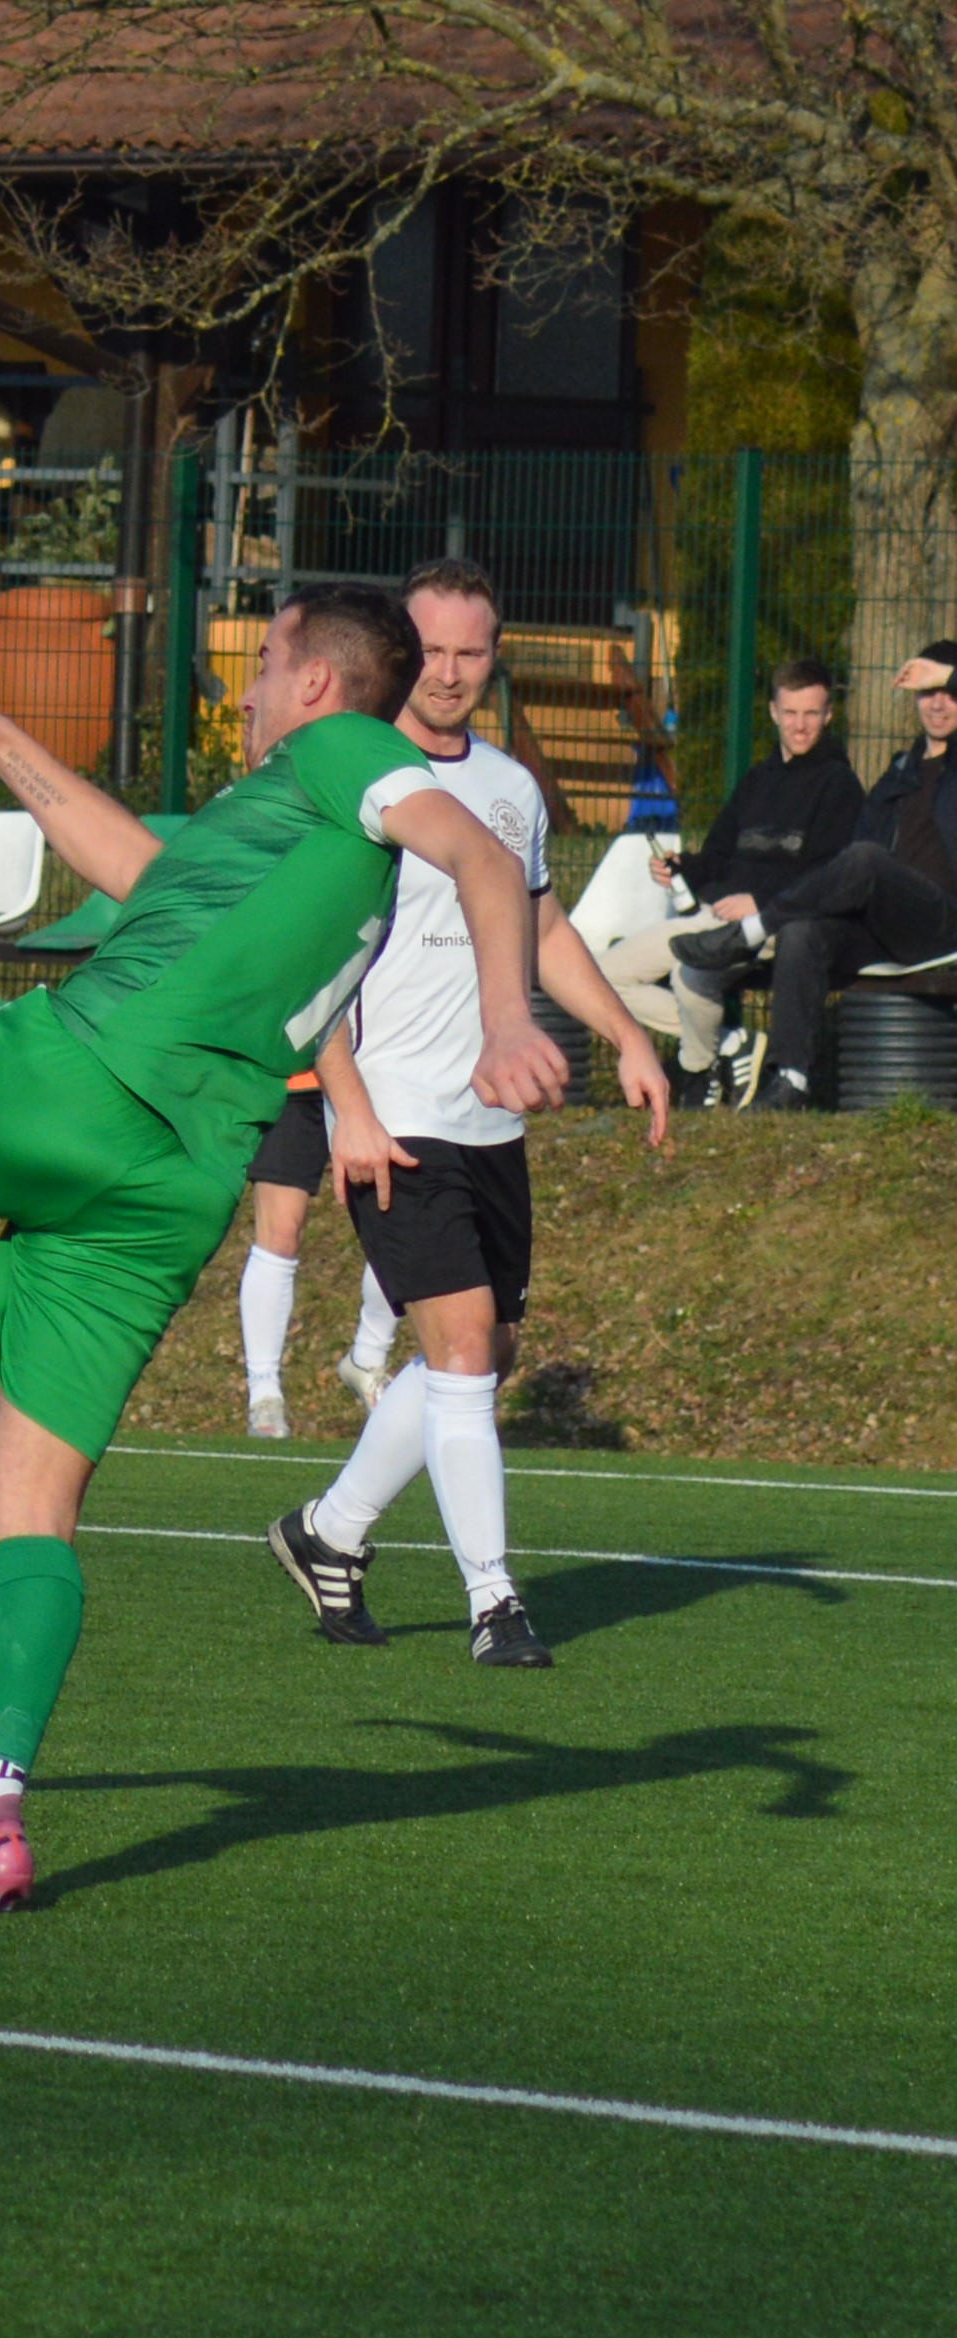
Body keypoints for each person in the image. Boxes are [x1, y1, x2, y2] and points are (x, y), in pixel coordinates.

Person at [0, 585, 570, 1912]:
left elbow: (485, 856)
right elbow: (133, 869)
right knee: (31, 1509)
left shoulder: (340, 750)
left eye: (264, 661)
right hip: (166, 1188)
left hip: (71, 1069)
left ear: (317, 684)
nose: (249, 687)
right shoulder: (282, 823)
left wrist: (505, 1015)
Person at [266, 559, 670, 1669]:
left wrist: (625, 1036)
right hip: (390, 1115)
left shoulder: (508, 788)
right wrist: (345, 1107)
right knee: (453, 1348)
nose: (447, 672)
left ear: (495, 657)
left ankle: (327, 1529)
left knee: (485, 1351)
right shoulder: (356, 779)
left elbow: (540, 929)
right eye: (431, 650)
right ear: (401, 652)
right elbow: (306, 965)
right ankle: (495, 1601)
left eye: (469, 652)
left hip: (488, 1120)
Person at [674, 641, 957, 1110]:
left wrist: (940, 675)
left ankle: (754, 928)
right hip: (883, 923)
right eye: (928, 693)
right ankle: (792, 1078)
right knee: (802, 932)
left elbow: (863, 857)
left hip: (941, 921)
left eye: (949, 692)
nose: (938, 704)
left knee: (864, 858)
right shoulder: (900, 772)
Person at [595, 660, 859, 1107]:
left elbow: (828, 873)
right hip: (712, 916)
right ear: (773, 712)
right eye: (790, 713)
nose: (800, 725)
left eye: (811, 714)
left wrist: (760, 901)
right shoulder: (757, 780)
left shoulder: (841, 786)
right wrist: (682, 868)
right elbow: (717, 858)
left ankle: (698, 1076)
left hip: (773, 922)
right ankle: (732, 1042)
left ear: (828, 715)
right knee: (605, 976)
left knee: (691, 976)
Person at [235, 1073, 402, 1435]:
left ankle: (368, 1359)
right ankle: (264, 1394)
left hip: (374, 1079)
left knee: (398, 1223)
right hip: (294, 1080)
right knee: (279, 1232)